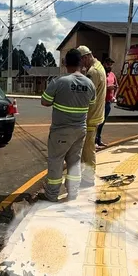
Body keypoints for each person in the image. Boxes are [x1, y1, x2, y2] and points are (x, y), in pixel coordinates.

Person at [39, 48, 96, 202]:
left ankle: (52, 195)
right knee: (74, 161)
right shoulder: (89, 83)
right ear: (81, 63)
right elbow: (91, 104)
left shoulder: (59, 82)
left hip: (61, 131)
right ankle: (72, 193)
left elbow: (44, 101)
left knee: (56, 161)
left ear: (65, 63)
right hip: (80, 130)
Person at [77, 45, 106, 188]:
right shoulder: (99, 66)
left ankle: (88, 179)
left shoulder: (93, 72)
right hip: (97, 114)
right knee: (88, 147)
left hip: (91, 116)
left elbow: (86, 95)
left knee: (88, 149)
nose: (81, 64)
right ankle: (87, 176)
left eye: (81, 60)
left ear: (86, 57)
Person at [95, 57, 117, 149]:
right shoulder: (100, 74)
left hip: (108, 102)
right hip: (100, 102)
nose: (109, 66)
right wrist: (108, 88)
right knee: (97, 122)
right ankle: (94, 141)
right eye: (108, 64)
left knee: (102, 122)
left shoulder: (112, 75)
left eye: (111, 64)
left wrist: (114, 96)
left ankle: (99, 140)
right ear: (103, 64)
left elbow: (116, 86)